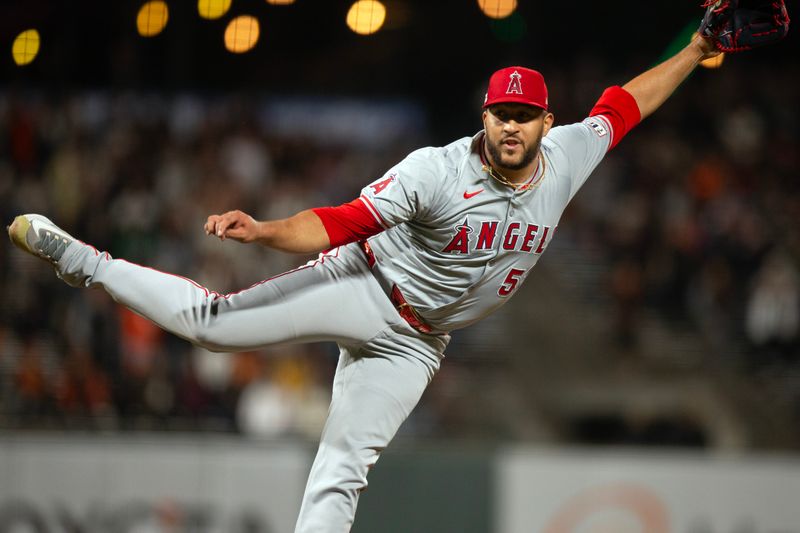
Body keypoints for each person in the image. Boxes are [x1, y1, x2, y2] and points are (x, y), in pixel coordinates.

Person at [9, 35, 721, 532]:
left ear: (546, 121)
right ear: (484, 116)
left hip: (417, 343)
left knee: (343, 466)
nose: (510, 126)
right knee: (213, 324)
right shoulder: (435, 171)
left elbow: (627, 104)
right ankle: (85, 261)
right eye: (500, 114)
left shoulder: (568, 156)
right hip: (364, 281)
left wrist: (694, 48)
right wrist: (265, 231)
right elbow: (341, 222)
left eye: (523, 115)